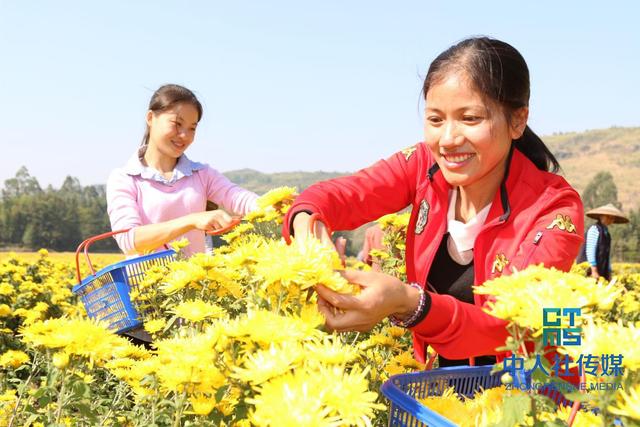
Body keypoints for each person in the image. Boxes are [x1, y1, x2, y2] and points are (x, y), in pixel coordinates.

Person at [283, 37, 584, 367]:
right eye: (436, 119)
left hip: (528, 392)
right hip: (443, 384)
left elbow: (508, 328)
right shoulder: (421, 165)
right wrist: (308, 227)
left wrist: (407, 303)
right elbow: (335, 196)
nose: (448, 139)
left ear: (517, 121)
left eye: (470, 118)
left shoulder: (554, 209)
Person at [107, 84, 258, 258]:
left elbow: (240, 198)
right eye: (177, 124)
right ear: (150, 118)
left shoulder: (202, 174)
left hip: (197, 284)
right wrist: (192, 220)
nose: (185, 135)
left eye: (192, 128)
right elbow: (129, 240)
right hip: (147, 283)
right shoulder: (125, 178)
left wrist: (275, 204)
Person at [583, 203, 629, 281]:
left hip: (601, 270)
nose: (610, 219)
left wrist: (609, 272)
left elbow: (607, 255)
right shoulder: (594, 229)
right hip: (589, 269)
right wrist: (593, 270)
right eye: (607, 216)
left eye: (612, 218)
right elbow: (590, 250)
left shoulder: (607, 234)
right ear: (601, 216)